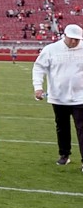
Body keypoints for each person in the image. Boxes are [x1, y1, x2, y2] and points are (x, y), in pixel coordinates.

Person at [32, 24, 83, 169]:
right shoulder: (51, 49)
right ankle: (64, 155)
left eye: (77, 40)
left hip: (80, 97)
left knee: (82, 128)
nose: (74, 42)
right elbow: (39, 67)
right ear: (65, 35)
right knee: (62, 127)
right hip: (58, 96)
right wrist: (38, 87)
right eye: (72, 39)